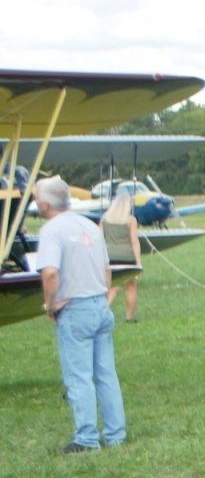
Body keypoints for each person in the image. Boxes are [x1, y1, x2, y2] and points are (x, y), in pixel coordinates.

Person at [34, 176, 127, 453]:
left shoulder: (51, 231)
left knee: (78, 376)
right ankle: (115, 434)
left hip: (74, 309)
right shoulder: (90, 225)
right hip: (99, 304)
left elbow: (50, 272)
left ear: (44, 204)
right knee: (106, 374)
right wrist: (102, 296)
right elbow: (107, 269)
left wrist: (50, 305)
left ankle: (86, 437)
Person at [101, 188, 143, 321]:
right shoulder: (131, 220)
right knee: (130, 287)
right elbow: (134, 241)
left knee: (111, 286)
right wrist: (138, 261)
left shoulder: (105, 219)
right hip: (127, 256)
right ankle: (129, 317)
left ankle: (101, 311)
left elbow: (98, 237)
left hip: (109, 256)